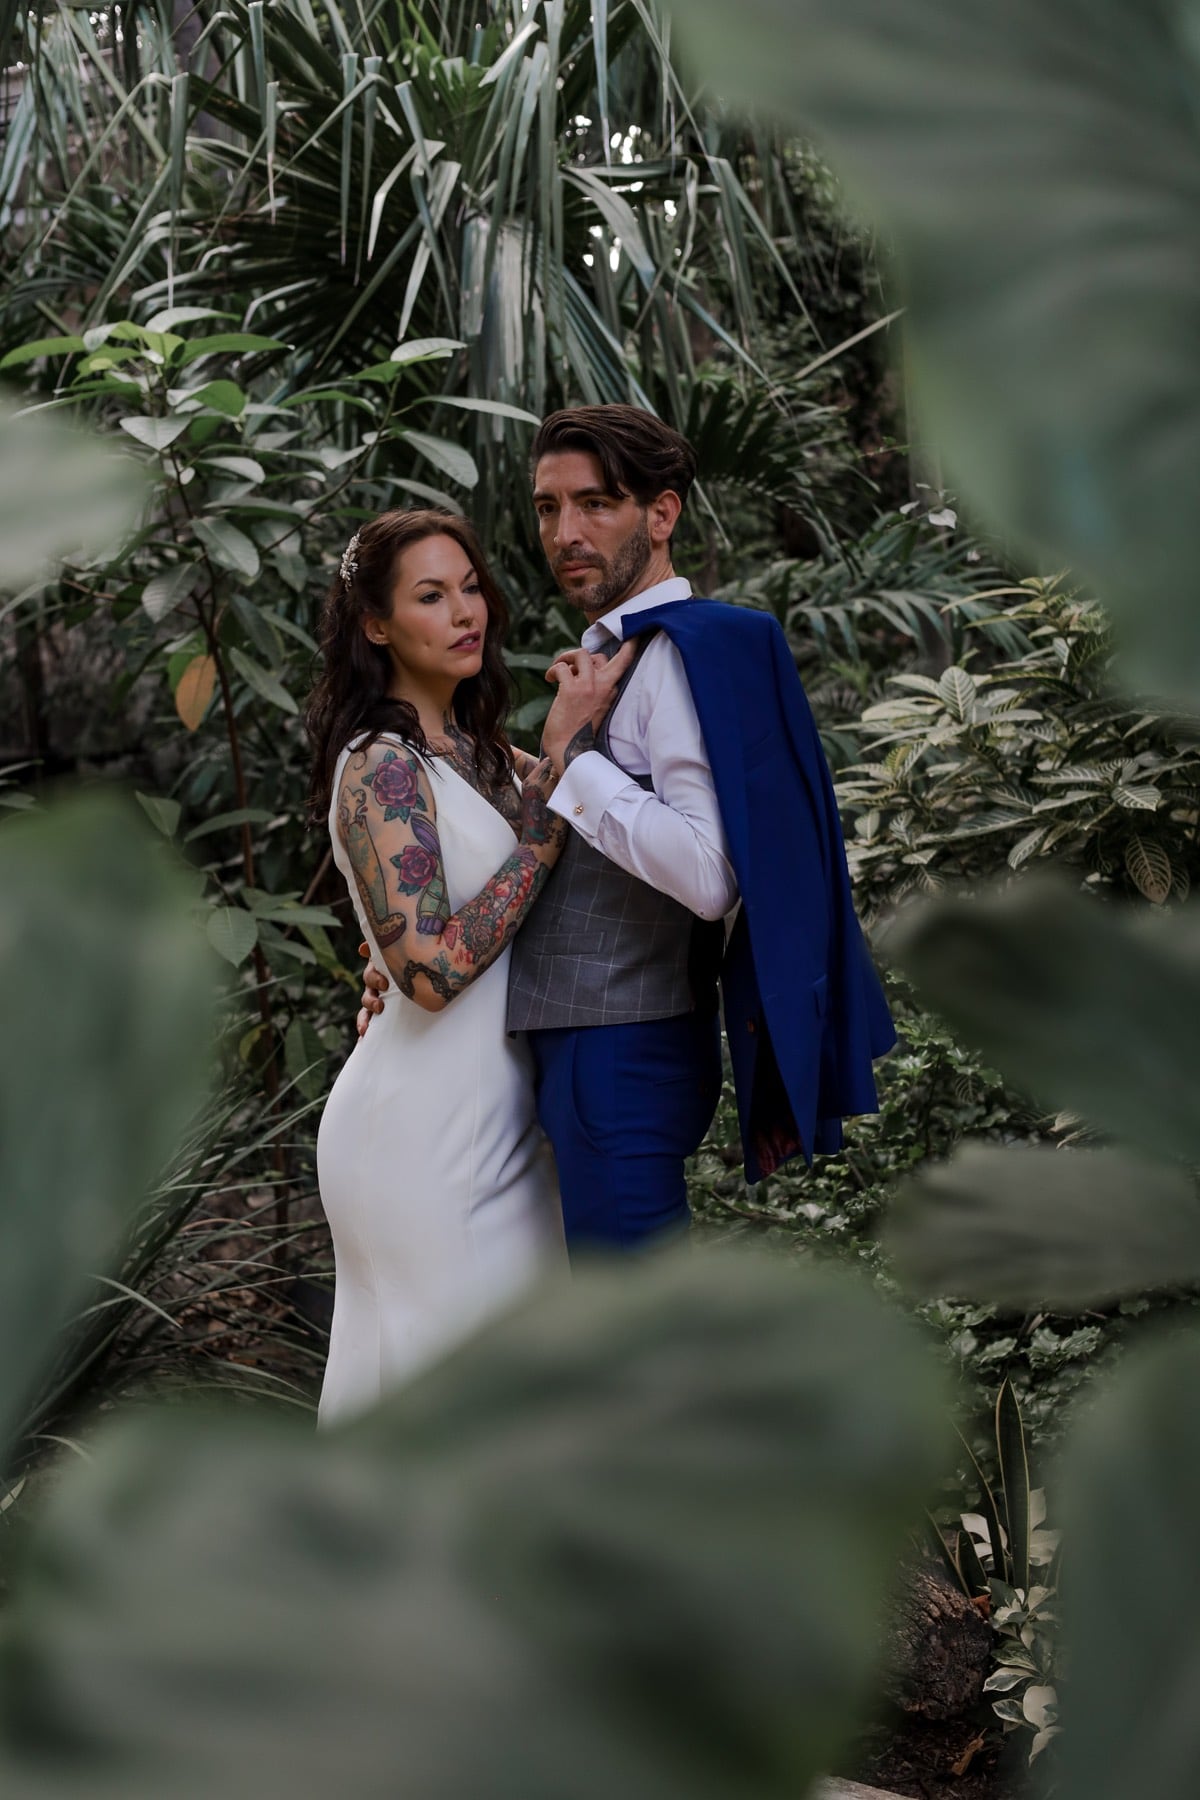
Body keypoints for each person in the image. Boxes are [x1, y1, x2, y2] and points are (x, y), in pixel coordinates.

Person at [360, 405, 895, 1254]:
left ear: (662, 514)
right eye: (548, 507)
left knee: (635, 1315)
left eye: (596, 504)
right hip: (598, 1047)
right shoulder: (621, 658)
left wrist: (572, 756)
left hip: (616, 1053)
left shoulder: (671, 658)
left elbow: (712, 876)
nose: (565, 533)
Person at [305, 507, 631, 1424]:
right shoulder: (381, 766)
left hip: (504, 1123)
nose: (464, 612)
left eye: (470, 587)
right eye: (430, 596)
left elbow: (558, 811)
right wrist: (546, 823)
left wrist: (565, 745)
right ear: (376, 624)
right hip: (421, 1136)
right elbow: (430, 973)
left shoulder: (475, 751)